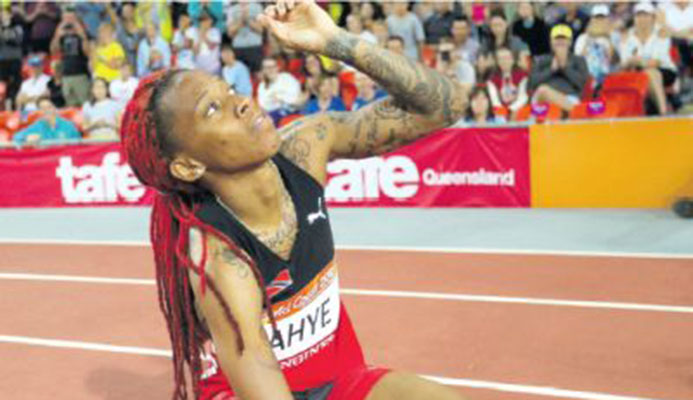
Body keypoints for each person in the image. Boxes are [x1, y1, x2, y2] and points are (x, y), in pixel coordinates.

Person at [119, 1, 469, 399]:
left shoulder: (306, 147)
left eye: (230, 89)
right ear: (186, 165)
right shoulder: (219, 258)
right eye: (213, 109)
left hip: (341, 379)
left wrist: (335, 42)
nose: (243, 101)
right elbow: (259, 375)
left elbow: (446, 104)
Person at [620, 1, 677, 115]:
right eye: (639, 15)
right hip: (636, 72)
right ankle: (663, 110)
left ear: (652, 18)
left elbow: (656, 62)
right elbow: (624, 63)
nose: (642, 19)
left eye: (645, 15)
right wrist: (633, 62)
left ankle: (663, 111)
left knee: (651, 73)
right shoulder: (628, 36)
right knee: (648, 73)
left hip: (664, 70)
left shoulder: (661, 34)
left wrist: (637, 61)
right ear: (634, 18)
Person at [529, 24, 589, 112]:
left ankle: (574, 112)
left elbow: (582, 83)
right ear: (551, 42)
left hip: (570, 97)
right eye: (557, 39)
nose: (560, 42)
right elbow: (532, 83)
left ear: (570, 42)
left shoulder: (578, 60)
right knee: (543, 91)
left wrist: (565, 68)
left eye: (564, 39)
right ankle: (577, 112)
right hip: (543, 100)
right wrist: (551, 70)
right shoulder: (542, 60)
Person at [50, 7, 91, 107]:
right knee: (70, 106)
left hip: (81, 74)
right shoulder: (62, 33)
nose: (69, 20)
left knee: (84, 104)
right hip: (66, 75)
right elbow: (53, 51)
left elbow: (88, 52)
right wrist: (57, 35)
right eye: (66, 18)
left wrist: (82, 35)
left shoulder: (83, 31)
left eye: (71, 17)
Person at [478, 10, 530, 78]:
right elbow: (481, 69)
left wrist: (506, 61)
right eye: (494, 25)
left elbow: (525, 66)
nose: (497, 28)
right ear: (490, 27)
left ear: (506, 24)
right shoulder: (486, 43)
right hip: (492, 78)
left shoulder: (516, 41)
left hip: (513, 77)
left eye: (500, 25)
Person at [574, 5, 615, 89]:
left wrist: (607, 36)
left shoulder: (614, 36)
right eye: (597, 18)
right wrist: (590, 37)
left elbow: (613, 60)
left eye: (602, 18)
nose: (599, 21)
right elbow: (578, 60)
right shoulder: (582, 38)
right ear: (591, 20)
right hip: (586, 77)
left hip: (608, 78)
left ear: (608, 20)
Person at [13, 97, 80, 145]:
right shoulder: (38, 126)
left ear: (54, 108)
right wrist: (26, 138)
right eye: (43, 108)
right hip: (46, 160)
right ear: (40, 111)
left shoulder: (67, 125)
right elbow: (16, 137)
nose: (46, 110)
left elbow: (79, 142)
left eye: (49, 107)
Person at [257, 56, 302, 124]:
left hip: (290, 111)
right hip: (270, 114)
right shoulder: (262, 85)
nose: (270, 70)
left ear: (277, 67)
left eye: (272, 67)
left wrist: (279, 97)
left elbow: (295, 99)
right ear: (263, 70)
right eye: (267, 68)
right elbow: (262, 105)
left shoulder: (287, 78)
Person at [487, 47, 529, 114]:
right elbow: (494, 101)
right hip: (500, 112)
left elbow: (523, 97)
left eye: (507, 58)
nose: (504, 61)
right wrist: (502, 112)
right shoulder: (492, 80)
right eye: (501, 59)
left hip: (518, 110)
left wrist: (511, 110)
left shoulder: (522, 76)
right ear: (497, 62)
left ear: (513, 60)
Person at [226, 1, 265, 73]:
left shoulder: (258, 8)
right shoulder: (232, 10)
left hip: (255, 47)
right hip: (238, 48)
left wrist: (247, 20)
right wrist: (241, 20)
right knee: (240, 74)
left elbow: (261, 30)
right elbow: (230, 33)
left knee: (257, 74)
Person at [0, 6, 24, 109]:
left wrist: (4, 31)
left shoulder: (17, 28)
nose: (3, 17)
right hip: (2, 60)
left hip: (14, 60)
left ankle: (14, 105)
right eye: (2, 15)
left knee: (14, 84)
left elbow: (15, 40)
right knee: (3, 84)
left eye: (6, 14)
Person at [192, 10, 222, 75]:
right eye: (201, 20)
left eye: (205, 19)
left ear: (211, 20)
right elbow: (195, 52)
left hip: (213, 69)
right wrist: (200, 36)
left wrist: (203, 35)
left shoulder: (215, 31)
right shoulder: (195, 32)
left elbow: (212, 47)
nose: (203, 22)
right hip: (199, 69)